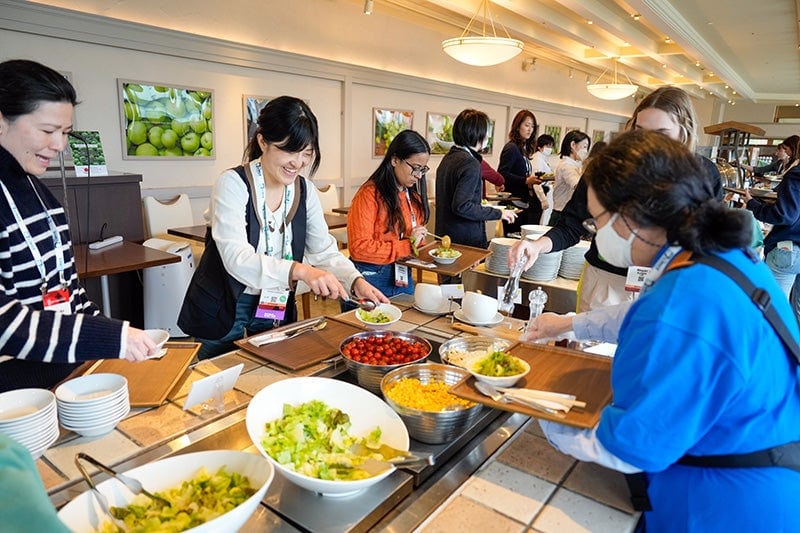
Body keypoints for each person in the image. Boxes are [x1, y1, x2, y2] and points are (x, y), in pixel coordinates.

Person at [538, 129, 800, 532]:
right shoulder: (720, 254)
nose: (596, 231)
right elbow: (645, 316)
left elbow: (632, 446)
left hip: (728, 507)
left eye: (599, 220)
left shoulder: (687, 303)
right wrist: (569, 323)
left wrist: (547, 421)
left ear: (634, 216)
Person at [178, 96, 387, 359]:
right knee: (220, 373)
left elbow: (324, 251)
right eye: (289, 150)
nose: (298, 162)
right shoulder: (233, 183)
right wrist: (301, 271)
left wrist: (355, 280)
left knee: (272, 367)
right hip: (226, 301)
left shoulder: (305, 191)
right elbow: (236, 258)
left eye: (306, 153)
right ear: (262, 141)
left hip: (274, 300)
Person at [0, 59, 156, 392]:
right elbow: (5, 322)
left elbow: (67, 291)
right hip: (15, 395)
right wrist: (111, 338)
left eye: (65, 133)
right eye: (47, 131)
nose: (60, 146)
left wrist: (117, 335)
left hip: (63, 376)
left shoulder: (36, 189)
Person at [510, 86, 723, 315]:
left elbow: (710, 242)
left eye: (661, 134)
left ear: (684, 132)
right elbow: (571, 225)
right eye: (640, 132)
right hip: (606, 283)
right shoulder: (607, 168)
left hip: (669, 287)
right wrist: (536, 246)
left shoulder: (703, 175)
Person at [347, 130, 430, 299]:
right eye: (415, 168)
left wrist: (448, 259)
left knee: (405, 325)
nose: (418, 175)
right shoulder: (369, 194)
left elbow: (417, 246)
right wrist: (408, 245)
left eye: (423, 169)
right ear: (394, 160)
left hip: (402, 274)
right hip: (370, 277)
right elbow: (359, 248)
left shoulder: (413, 197)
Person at [435, 109, 516, 249]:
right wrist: (498, 213)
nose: (488, 137)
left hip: (445, 234)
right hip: (464, 239)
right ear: (478, 133)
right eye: (486, 132)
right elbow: (462, 206)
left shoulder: (448, 158)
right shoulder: (470, 163)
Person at [745, 158, 800, 321]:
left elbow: (785, 214)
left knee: (772, 309)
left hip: (788, 249)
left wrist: (753, 204)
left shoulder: (796, 175)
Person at [498, 110, 545, 232]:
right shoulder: (511, 148)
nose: (530, 129)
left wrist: (530, 181)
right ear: (518, 126)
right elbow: (502, 174)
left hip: (523, 202)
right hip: (513, 204)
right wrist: (526, 180)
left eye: (532, 126)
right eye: (527, 125)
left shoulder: (522, 148)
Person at [549, 130, 590, 226]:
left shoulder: (574, 165)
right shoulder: (567, 166)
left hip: (564, 213)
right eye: (584, 147)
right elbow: (578, 186)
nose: (586, 151)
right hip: (561, 214)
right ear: (573, 145)